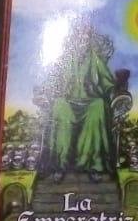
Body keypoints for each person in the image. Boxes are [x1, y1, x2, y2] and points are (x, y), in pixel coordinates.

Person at [42, 25, 118, 182]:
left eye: (85, 37)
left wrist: (107, 90)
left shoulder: (95, 59)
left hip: (90, 101)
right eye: (79, 37)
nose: (82, 40)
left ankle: (93, 165)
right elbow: (52, 80)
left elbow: (107, 82)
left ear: (89, 40)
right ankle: (60, 166)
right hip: (68, 102)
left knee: (98, 106)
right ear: (73, 39)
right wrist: (52, 90)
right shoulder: (65, 58)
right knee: (59, 106)